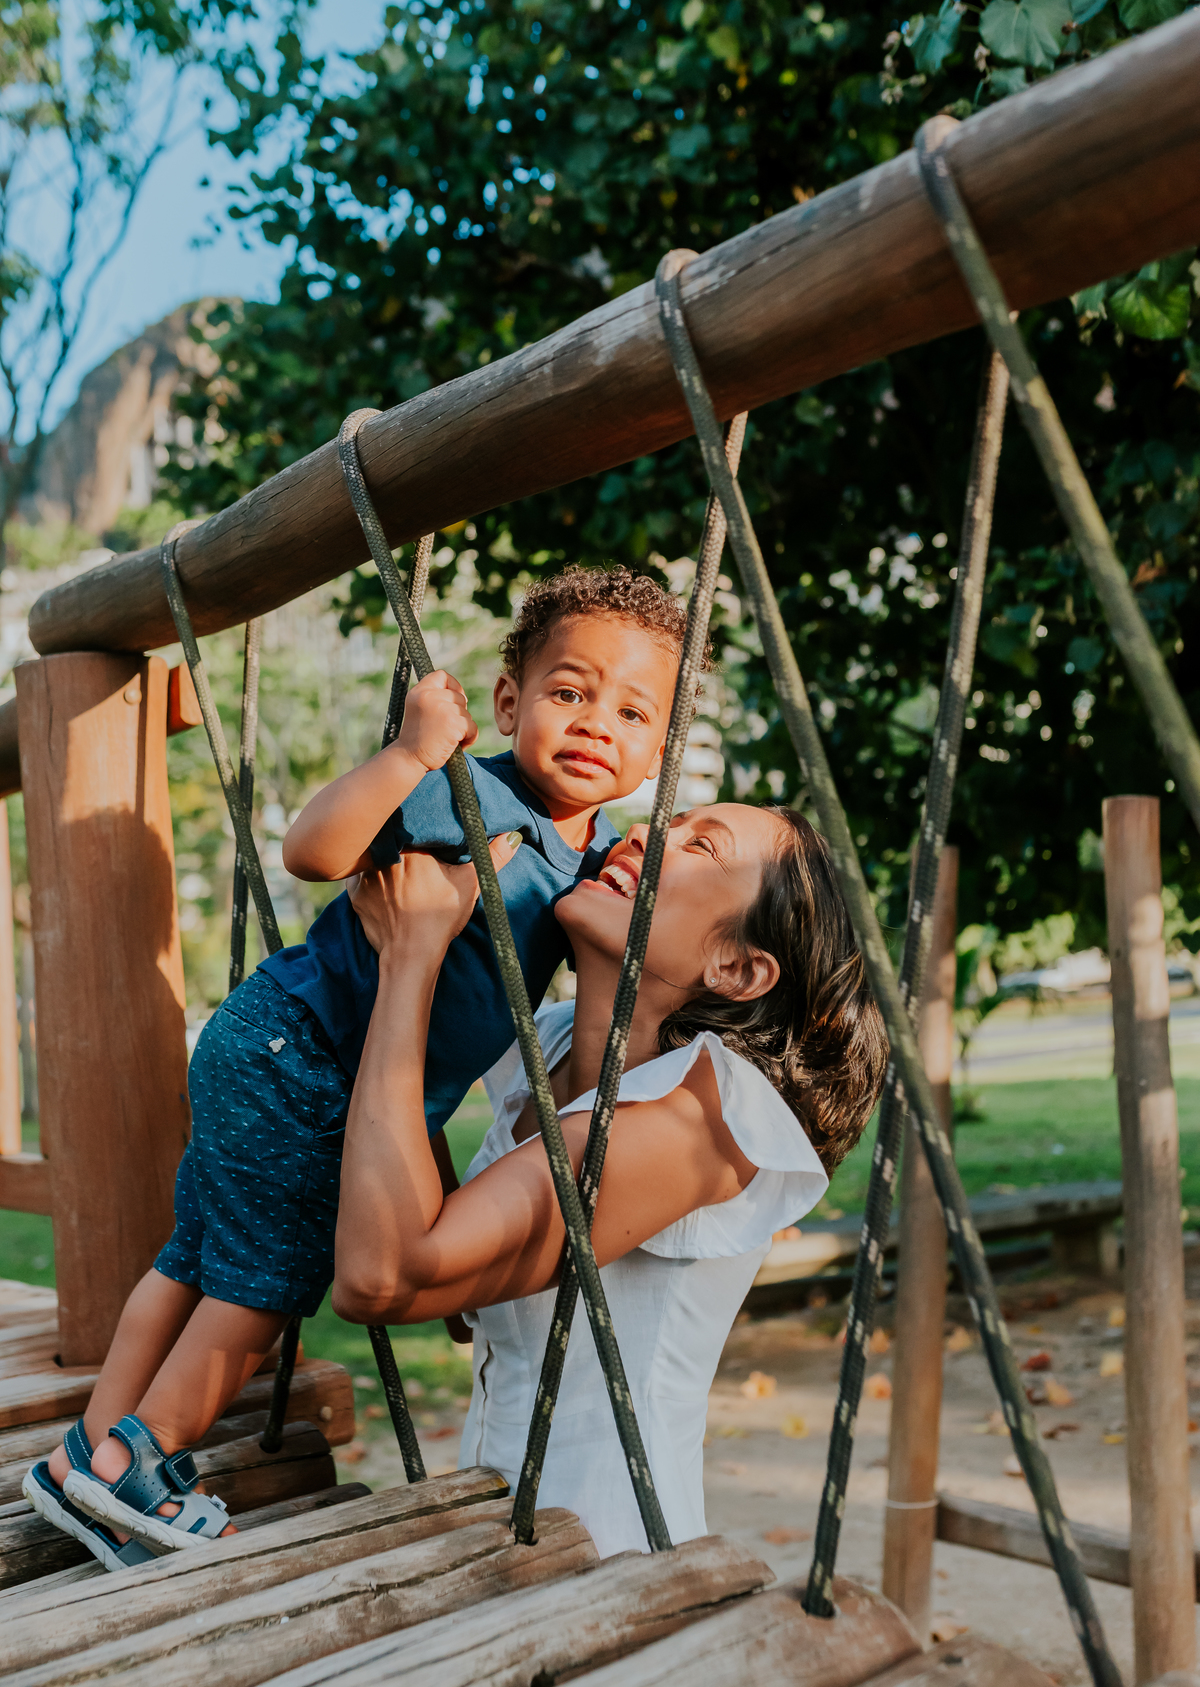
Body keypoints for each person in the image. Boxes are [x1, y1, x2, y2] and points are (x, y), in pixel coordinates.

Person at [24, 566, 689, 1569]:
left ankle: (90, 1458)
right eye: (570, 690)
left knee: (194, 1256)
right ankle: (142, 1455)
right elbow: (310, 847)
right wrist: (417, 750)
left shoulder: (588, 862)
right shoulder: (481, 797)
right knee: (264, 1283)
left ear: (660, 742)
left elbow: (433, 1067)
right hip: (302, 1055)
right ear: (509, 702)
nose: (599, 721)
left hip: (299, 1054)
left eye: (634, 709)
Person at [331, 798, 887, 1557]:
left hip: (610, 1554)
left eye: (700, 845)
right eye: (669, 819)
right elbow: (465, 1305)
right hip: (487, 1534)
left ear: (736, 966)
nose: (645, 833)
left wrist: (411, 961)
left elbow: (381, 1276)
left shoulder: (709, 1119)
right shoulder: (542, 1045)